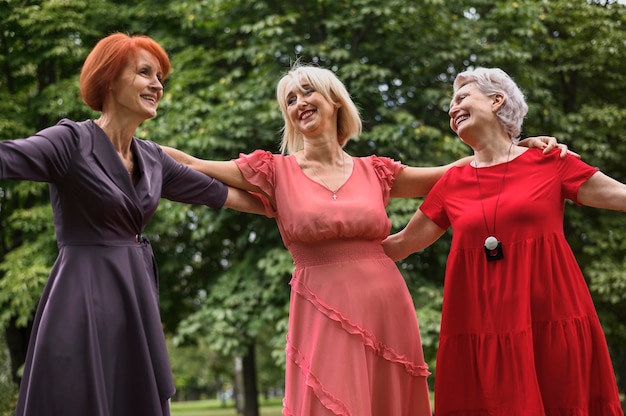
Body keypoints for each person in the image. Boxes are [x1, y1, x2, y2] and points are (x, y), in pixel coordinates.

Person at [162, 63, 568, 415]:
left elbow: (456, 170)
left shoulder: (377, 172)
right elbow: (194, 164)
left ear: (335, 100)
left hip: (387, 305)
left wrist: (520, 147)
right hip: (322, 307)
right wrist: (125, 144)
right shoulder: (272, 171)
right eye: (289, 99)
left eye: (308, 91)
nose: (299, 102)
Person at [0, 33, 263, 416]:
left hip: (134, 298)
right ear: (109, 79)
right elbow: (8, 156)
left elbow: (221, 193)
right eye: (145, 73)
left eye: (160, 77)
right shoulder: (70, 142)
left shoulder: (152, 157)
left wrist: (299, 201)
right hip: (80, 301)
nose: (157, 84)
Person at [382, 67, 625, 415]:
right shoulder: (452, 182)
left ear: (497, 101)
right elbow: (403, 243)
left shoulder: (550, 161)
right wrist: (330, 256)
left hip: (550, 317)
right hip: (479, 327)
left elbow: (620, 195)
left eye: (462, 97)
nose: (452, 109)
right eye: (450, 105)